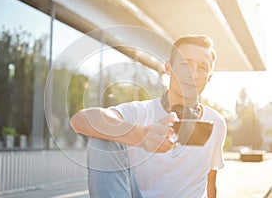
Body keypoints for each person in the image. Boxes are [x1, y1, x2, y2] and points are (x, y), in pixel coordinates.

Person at [70, 34, 226, 198]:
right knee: (103, 134)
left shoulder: (216, 123)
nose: (193, 74)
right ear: (168, 68)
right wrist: (141, 135)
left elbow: (211, 183)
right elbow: (80, 120)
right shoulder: (141, 112)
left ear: (209, 77)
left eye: (202, 67)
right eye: (186, 64)